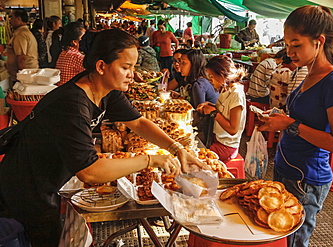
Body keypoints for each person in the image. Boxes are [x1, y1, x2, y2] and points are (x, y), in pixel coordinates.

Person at [0, 28, 206, 247]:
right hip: (24, 190)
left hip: (47, 182)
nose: (133, 74)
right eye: (126, 67)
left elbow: (138, 122)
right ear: (101, 66)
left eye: (133, 67)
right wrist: (151, 160)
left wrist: (176, 148)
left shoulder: (106, 91)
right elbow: (90, 172)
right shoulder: (73, 104)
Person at [258, 5, 333, 247]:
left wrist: (290, 123)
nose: (289, 52)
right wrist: (278, 118)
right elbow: (303, 119)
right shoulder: (308, 73)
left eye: (296, 45)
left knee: (295, 242)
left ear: (319, 41)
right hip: (287, 169)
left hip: (306, 179)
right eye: (287, 45)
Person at [196, 55, 246, 162]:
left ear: (222, 74)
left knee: (194, 156)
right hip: (217, 139)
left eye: (212, 76)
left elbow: (233, 129)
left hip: (227, 147)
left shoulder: (236, 94)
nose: (210, 80)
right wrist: (209, 105)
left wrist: (213, 112)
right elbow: (224, 112)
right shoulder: (225, 89)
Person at [180, 49, 219, 146]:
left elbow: (199, 112)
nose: (180, 66)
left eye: (183, 63)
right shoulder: (201, 80)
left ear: (194, 65)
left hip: (206, 132)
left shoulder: (199, 85)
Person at [6, 8, 38, 84]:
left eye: (12, 18)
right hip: (28, 74)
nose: (10, 20)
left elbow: (21, 57)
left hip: (25, 76)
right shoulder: (24, 32)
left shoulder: (21, 34)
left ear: (18, 19)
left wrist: (22, 78)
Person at [55, 22, 86, 86]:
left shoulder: (64, 53)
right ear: (74, 42)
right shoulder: (76, 57)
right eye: (82, 38)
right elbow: (95, 73)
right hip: (71, 93)